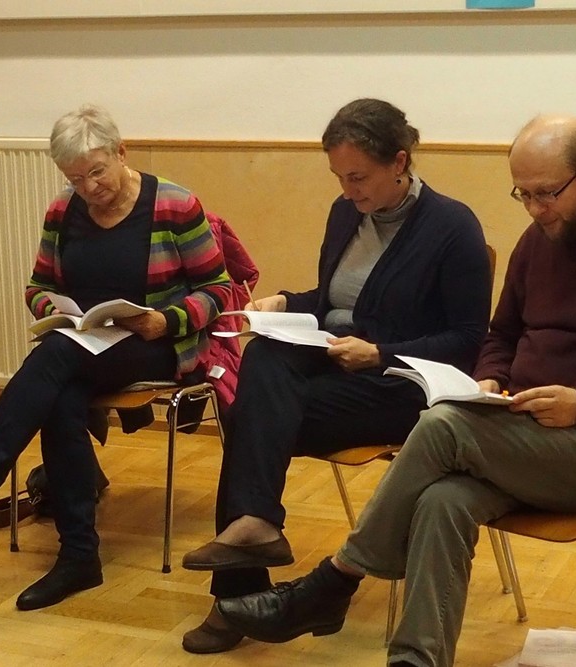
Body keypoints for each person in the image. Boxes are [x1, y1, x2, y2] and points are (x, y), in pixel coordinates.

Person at [214, 115, 576, 667]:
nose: (535, 209)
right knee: (442, 501)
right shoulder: (543, 237)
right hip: (531, 435)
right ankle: (416, 659)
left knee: (442, 425)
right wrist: (490, 379)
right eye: (522, 195)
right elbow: (500, 335)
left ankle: (331, 584)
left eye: (546, 193)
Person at [178, 98, 492, 654]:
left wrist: (380, 353)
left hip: (404, 386)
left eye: (359, 177)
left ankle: (236, 596)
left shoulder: (452, 226)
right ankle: (255, 529)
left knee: (253, 418)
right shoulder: (345, 214)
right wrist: (284, 302)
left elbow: (468, 341)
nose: (349, 191)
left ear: (400, 162)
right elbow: (334, 303)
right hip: (337, 365)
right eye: (339, 178)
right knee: (264, 358)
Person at [0, 104, 232, 611]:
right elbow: (37, 286)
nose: (89, 188)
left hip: (155, 343)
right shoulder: (63, 210)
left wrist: (166, 320)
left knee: (57, 359)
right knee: (61, 395)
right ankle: (79, 555)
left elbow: (218, 289)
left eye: (97, 172)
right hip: (84, 343)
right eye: (75, 179)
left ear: (121, 153)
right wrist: (54, 312)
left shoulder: (174, 204)